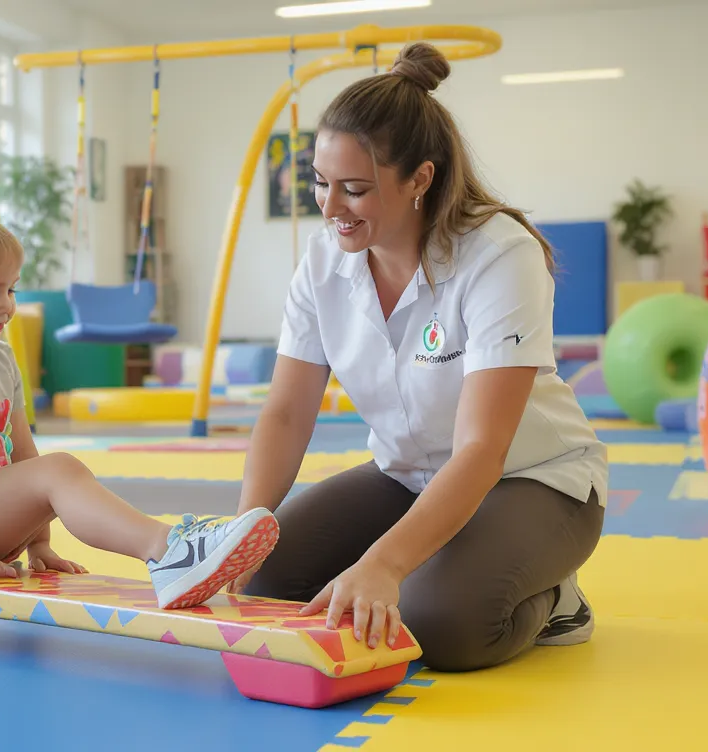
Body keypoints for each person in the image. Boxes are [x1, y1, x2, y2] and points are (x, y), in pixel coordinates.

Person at [227, 42, 608, 672]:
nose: (329, 208)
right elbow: (287, 414)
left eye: (354, 190)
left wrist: (383, 564)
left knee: (443, 624)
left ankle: (559, 599)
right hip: (406, 477)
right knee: (265, 586)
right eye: (320, 184)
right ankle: (423, 555)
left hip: (535, 481)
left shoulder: (498, 255)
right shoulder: (323, 263)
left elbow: (482, 449)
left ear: (420, 179)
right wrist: (240, 536)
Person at [0, 202, 278, 609]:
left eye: (11, 289)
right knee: (60, 469)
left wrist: (38, 543)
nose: (7, 305)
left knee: (54, 468)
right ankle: (167, 551)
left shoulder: (0, 358)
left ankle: (169, 551)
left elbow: (22, 455)